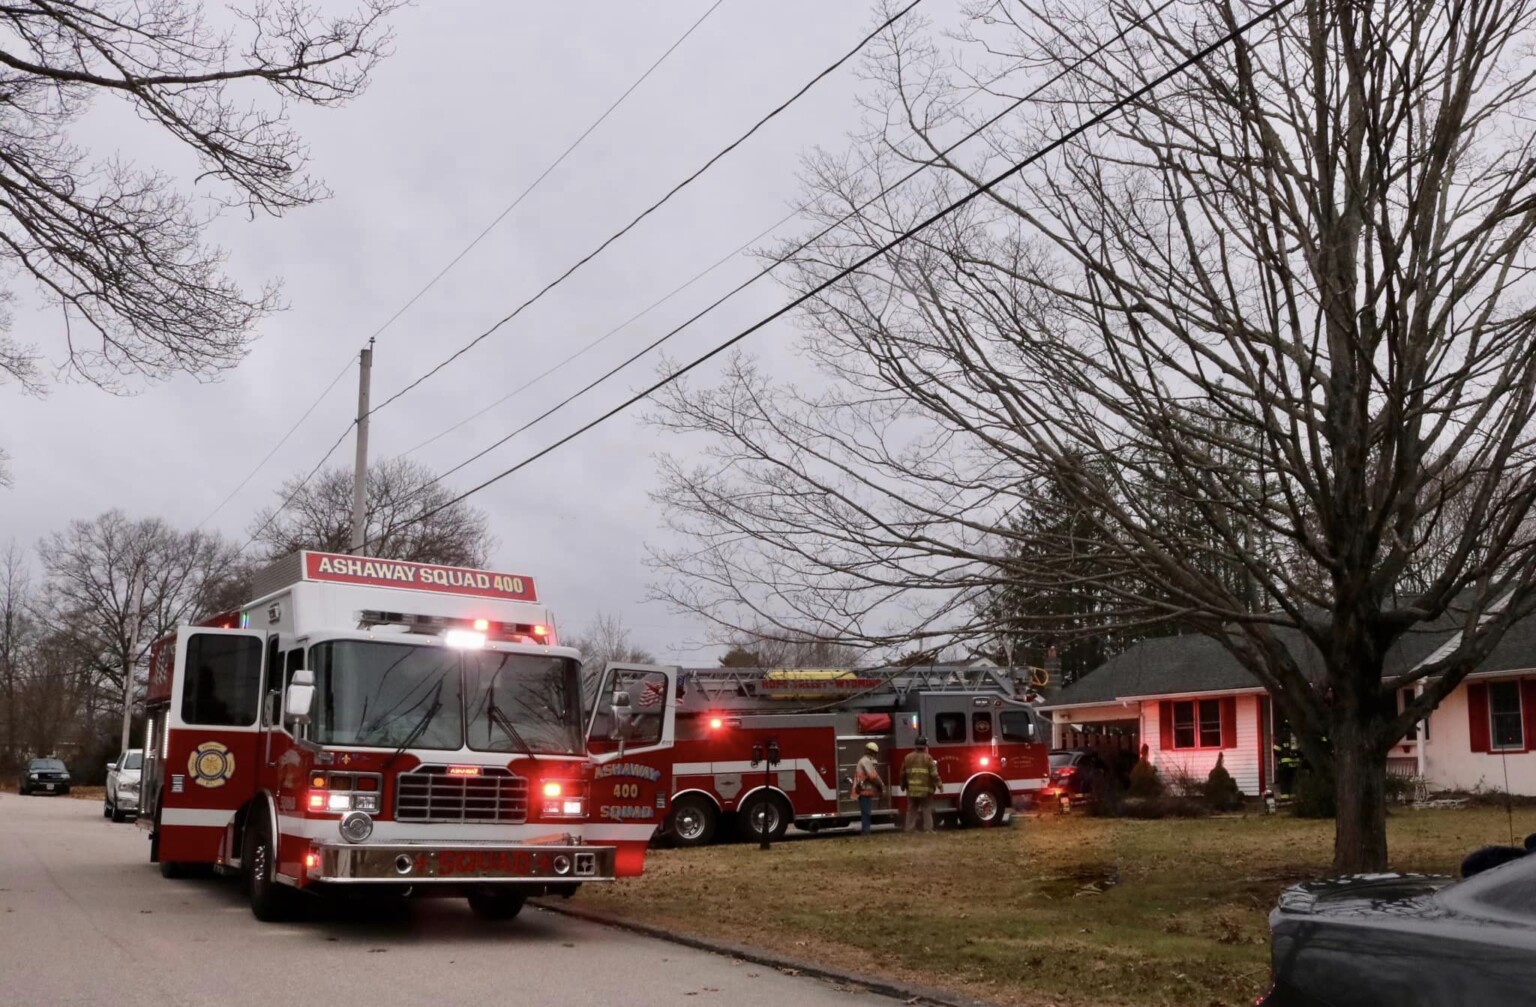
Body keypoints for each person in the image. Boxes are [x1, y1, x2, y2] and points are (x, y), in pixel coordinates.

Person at [901, 735, 942, 832]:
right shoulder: (928, 758)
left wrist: (902, 785)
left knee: (911, 810)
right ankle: (928, 829)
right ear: (925, 747)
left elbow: (902, 773)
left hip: (911, 790)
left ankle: (909, 829)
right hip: (925, 790)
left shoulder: (908, 757)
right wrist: (939, 785)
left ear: (915, 746)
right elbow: (934, 774)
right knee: (926, 810)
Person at [851, 741, 885, 835]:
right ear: (871, 752)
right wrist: (881, 786)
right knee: (866, 813)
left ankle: (866, 831)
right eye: (874, 753)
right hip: (864, 791)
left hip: (864, 790)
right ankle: (866, 832)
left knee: (866, 812)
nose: (875, 755)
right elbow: (873, 776)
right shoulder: (866, 761)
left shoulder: (865, 760)